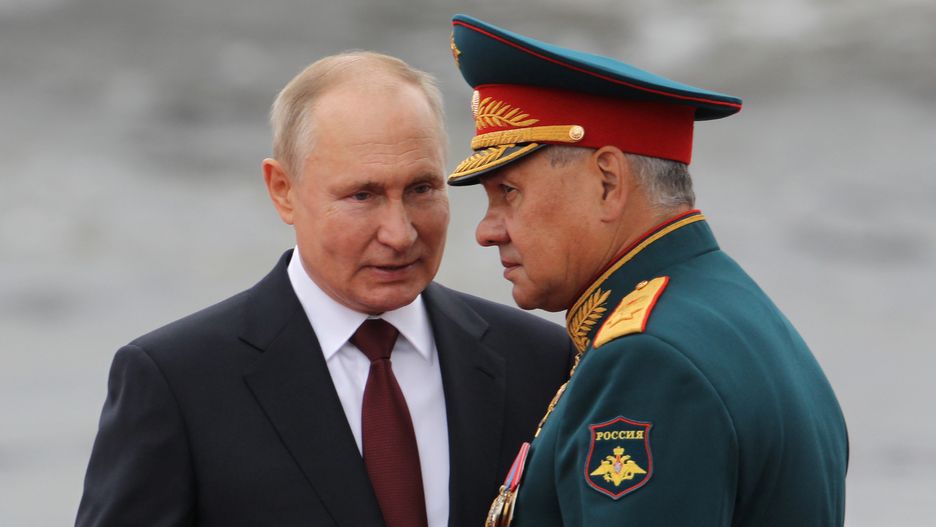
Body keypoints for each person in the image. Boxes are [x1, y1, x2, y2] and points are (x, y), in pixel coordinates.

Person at [75, 51, 574, 527]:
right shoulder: (177, 383)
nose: (399, 233)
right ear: (283, 191)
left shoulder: (541, 360)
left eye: (422, 189)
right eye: (363, 195)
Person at [446, 15, 848, 527]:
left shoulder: (647, 360)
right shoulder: (729, 311)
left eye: (508, 193)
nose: (487, 230)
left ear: (608, 183)